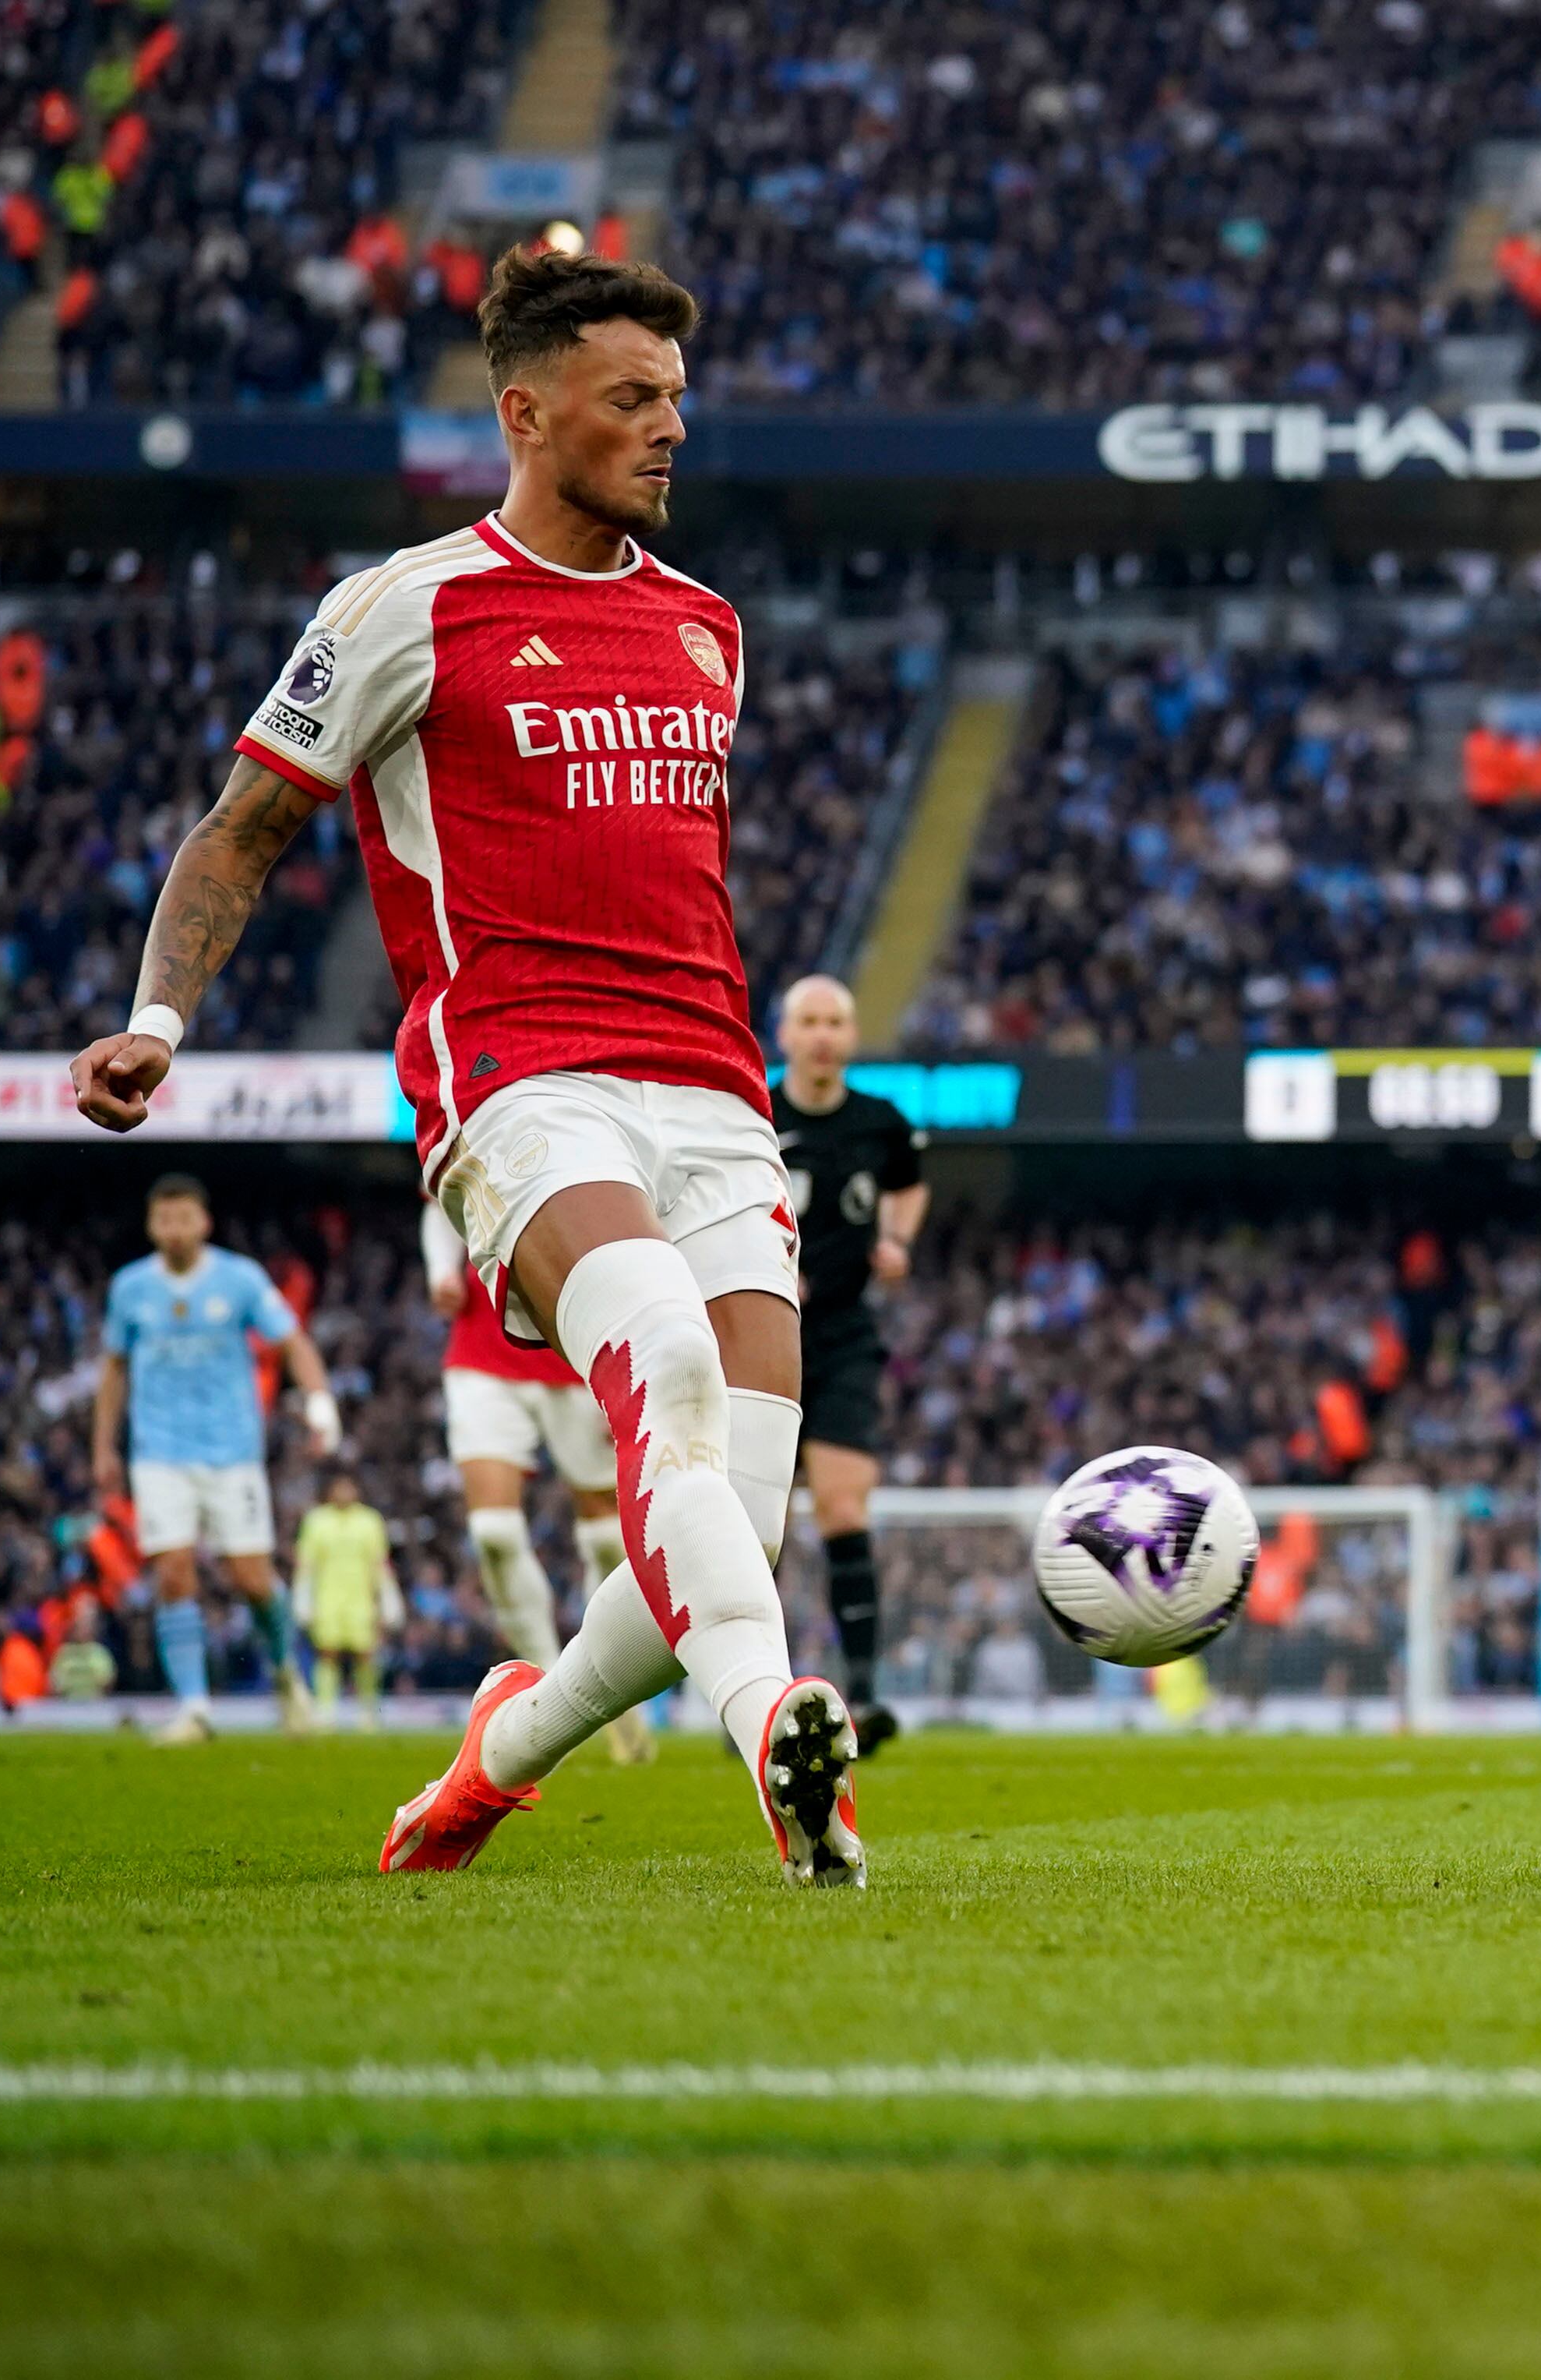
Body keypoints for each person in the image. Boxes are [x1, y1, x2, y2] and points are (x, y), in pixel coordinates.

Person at [69, 246, 862, 1885]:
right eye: (631, 400)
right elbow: (242, 832)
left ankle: (496, 1757)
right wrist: (160, 1020)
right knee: (672, 1377)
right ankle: (782, 1739)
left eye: (677, 402)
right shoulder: (401, 608)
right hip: (522, 1082)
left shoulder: (707, 631)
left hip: (716, 1094)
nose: (668, 432)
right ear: (526, 412)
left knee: (723, 1515)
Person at [93, 1173, 341, 1743]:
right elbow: (113, 1369)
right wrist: (103, 1446)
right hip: (159, 1453)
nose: (175, 1229)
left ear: (203, 1222)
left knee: (253, 1579)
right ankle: (194, 1708)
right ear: (152, 1225)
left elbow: (293, 1341)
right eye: (164, 1219)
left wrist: (321, 1401)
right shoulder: (130, 1288)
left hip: (233, 1451)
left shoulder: (240, 1278)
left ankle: (286, 1676)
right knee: (173, 1571)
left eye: (184, 1218)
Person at [421, 1200, 651, 1764]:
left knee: (606, 1538)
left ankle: (618, 1692)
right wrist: (440, 1271)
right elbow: (440, 1201)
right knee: (494, 1533)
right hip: (482, 1353)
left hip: (575, 1355)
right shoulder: (477, 1118)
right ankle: (556, 1697)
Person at [770, 973, 928, 1755]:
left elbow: (909, 1185)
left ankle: (862, 1695)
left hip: (843, 1338)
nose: (825, 1033)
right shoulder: (756, 1116)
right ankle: (757, 1701)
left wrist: (897, 1240)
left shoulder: (881, 1122)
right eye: (811, 1020)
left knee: (842, 1508)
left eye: (837, 1020)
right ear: (786, 1034)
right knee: (754, 1528)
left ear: (851, 1034)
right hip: (760, 1338)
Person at [294, 1470, 400, 1729]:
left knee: (365, 1654)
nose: (344, 1493)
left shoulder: (369, 1521)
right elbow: (307, 1564)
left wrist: (388, 1597)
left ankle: (368, 1710)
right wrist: (303, 1598)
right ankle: (325, 1709)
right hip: (327, 1599)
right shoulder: (316, 1521)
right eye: (338, 1488)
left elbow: (380, 1563)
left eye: (348, 1487)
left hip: (360, 1599)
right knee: (327, 1653)